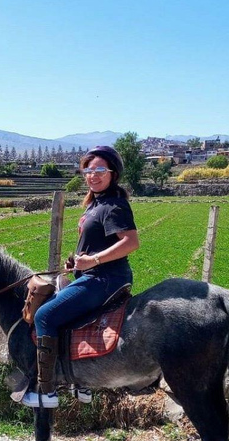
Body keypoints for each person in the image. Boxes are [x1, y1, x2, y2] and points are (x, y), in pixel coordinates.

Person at [22, 146, 140, 408]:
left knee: (44, 315)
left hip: (105, 278)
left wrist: (93, 261)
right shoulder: (96, 204)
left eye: (100, 170)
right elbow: (97, 243)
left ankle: (46, 392)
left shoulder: (113, 205)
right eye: (88, 170)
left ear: (113, 173)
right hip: (94, 275)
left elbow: (131, 242)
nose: (93, 175)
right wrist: (78, 261)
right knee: (67, 311)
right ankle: (82, 382)